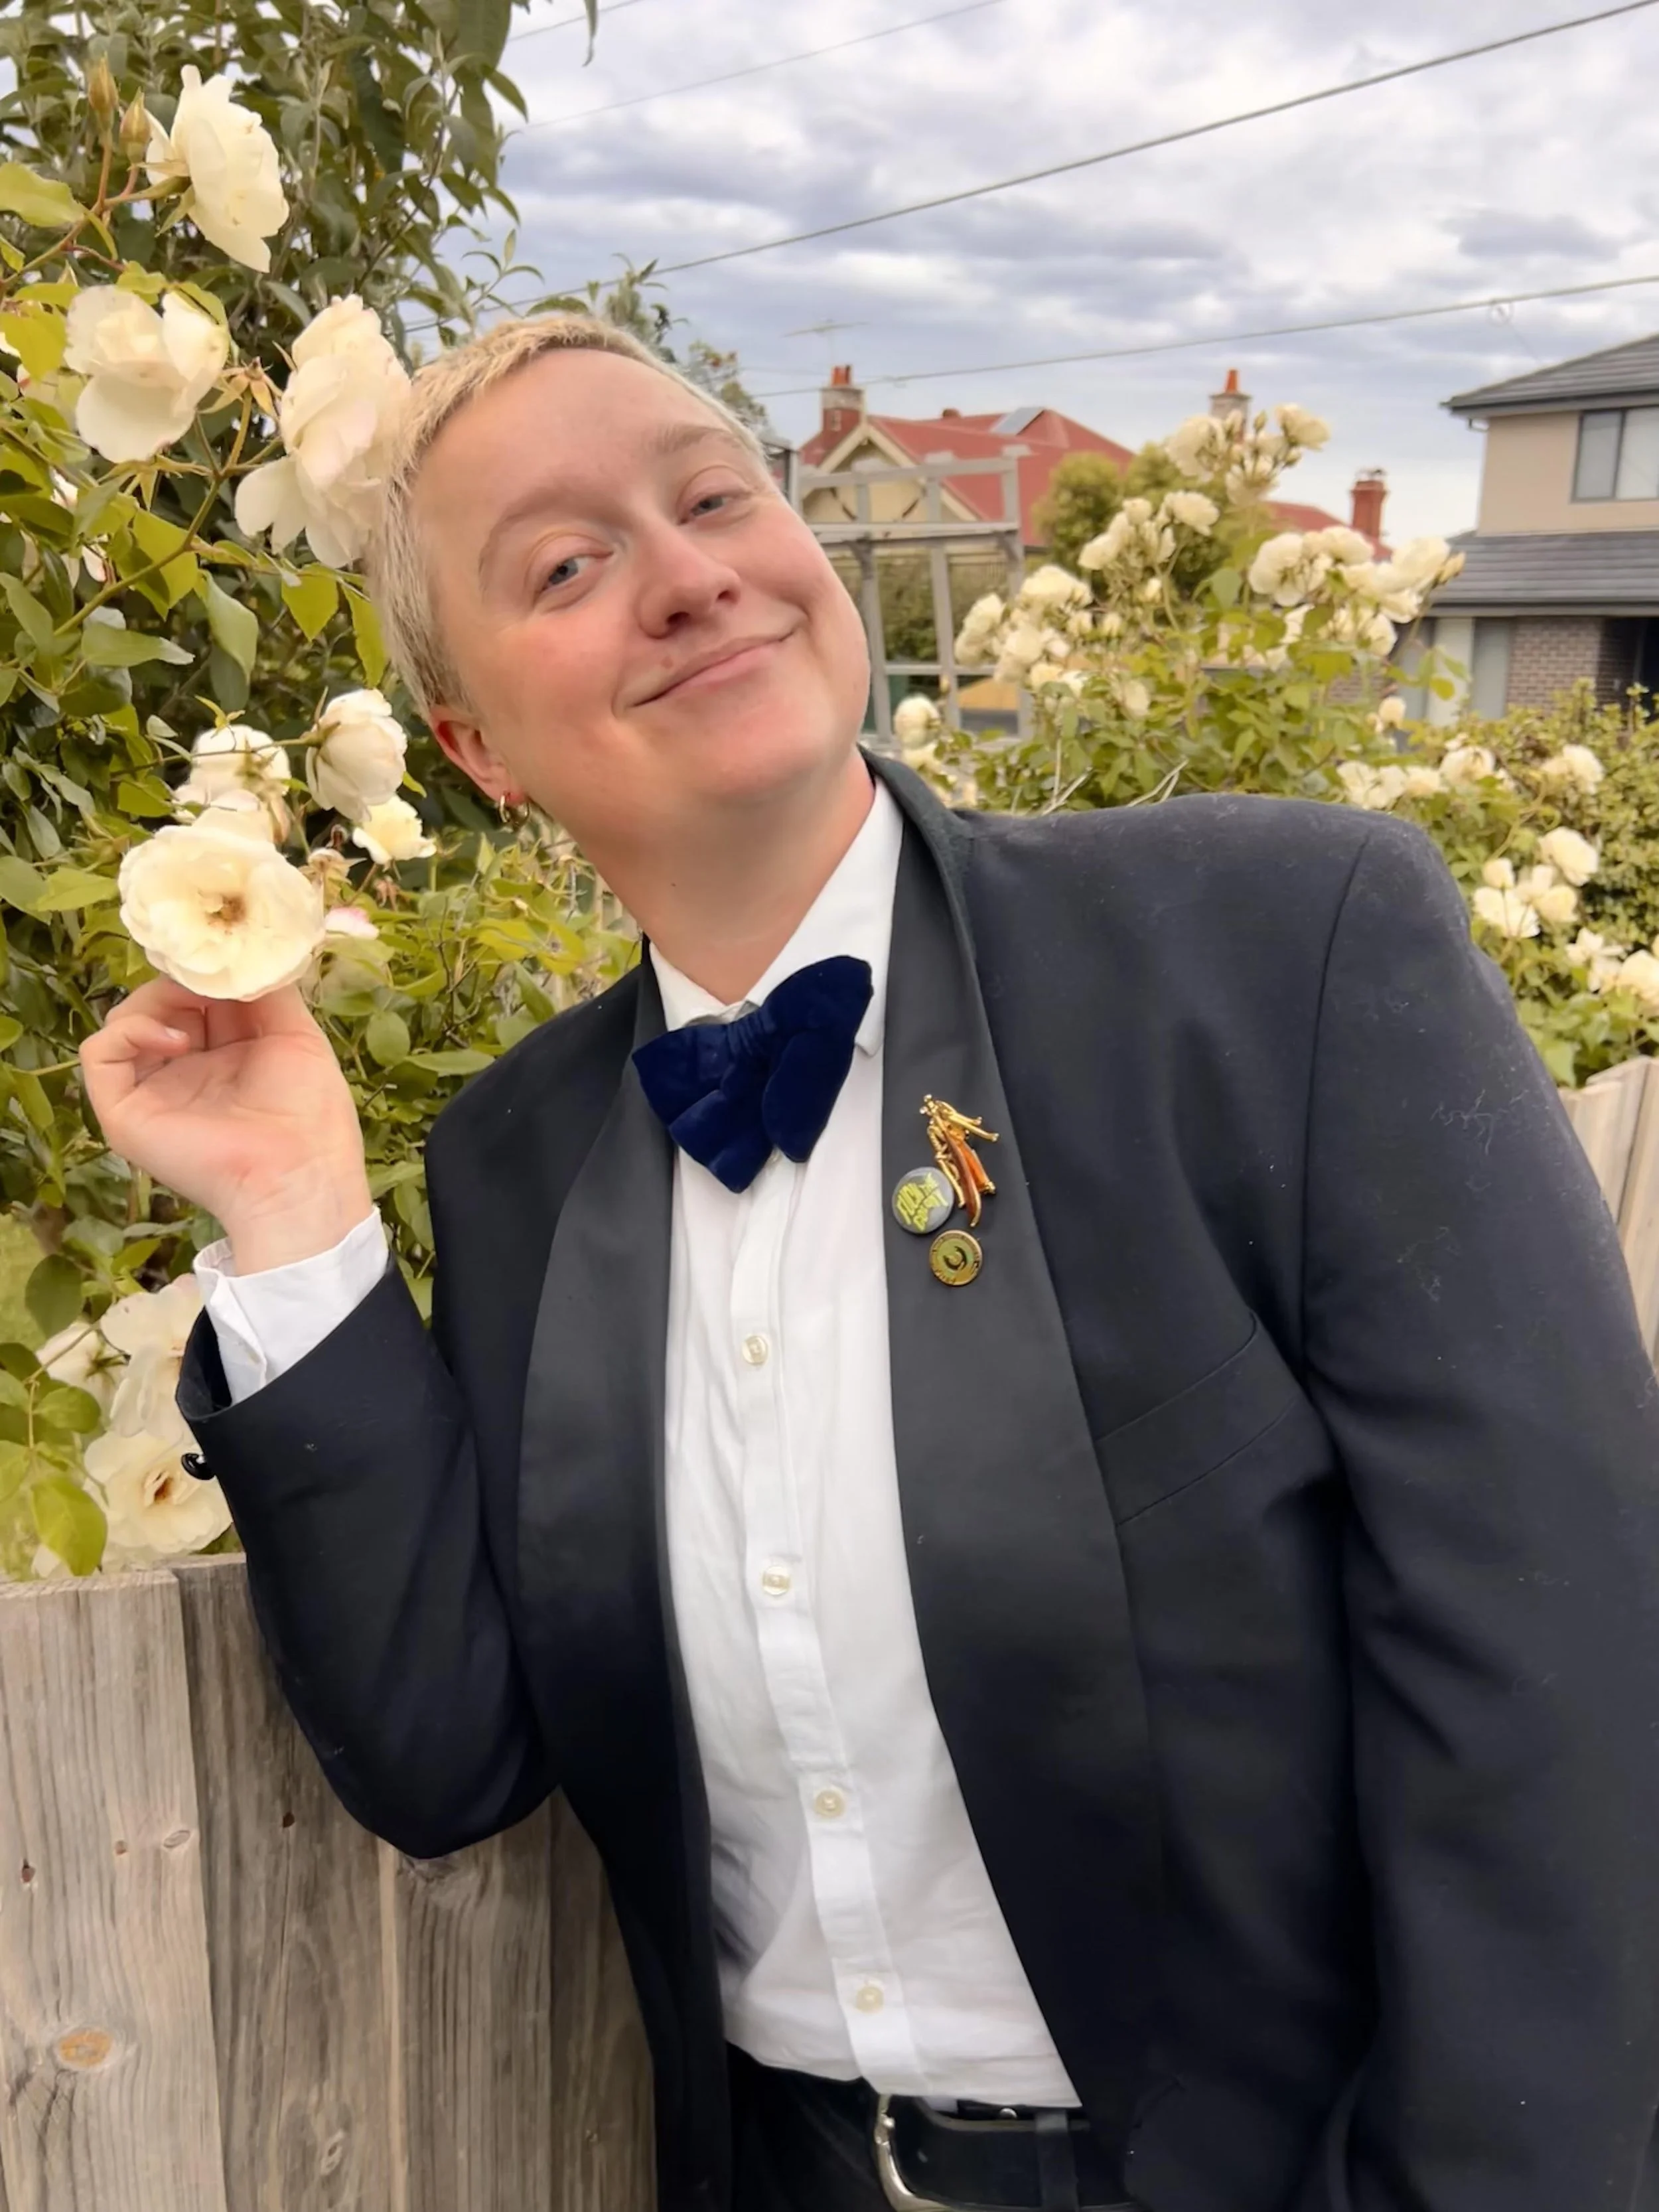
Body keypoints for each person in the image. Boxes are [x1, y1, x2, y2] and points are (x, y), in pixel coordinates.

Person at [80, 313, 1659, 2212]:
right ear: (475, 748)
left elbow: (1559, 1690)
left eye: (714, 493)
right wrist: (291, 1208)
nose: (684, 576)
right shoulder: (516, 1163)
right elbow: (444, 1754)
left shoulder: (1275, 956)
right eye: (566, 565)